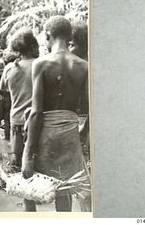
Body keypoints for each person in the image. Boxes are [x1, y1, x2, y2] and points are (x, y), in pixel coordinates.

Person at [22, 16, 88, 212]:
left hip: (45, 133)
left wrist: (28, 152)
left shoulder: (41, 64)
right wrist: (83, 134)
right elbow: (88, 107)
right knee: (64, 189)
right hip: (70, 132)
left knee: (29, 187)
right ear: (69, 37)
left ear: (47, 36)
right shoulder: (83, 66)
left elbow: (36, 112)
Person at [0, 28, 39, 170]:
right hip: (37, 120)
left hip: (17, 120)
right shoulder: (42, 64)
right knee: (36, 161)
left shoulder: (10, 68)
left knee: (17, 162)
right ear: (33, 46)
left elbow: (2, 87)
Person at [69, 21, 91, 212]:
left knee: (85, 177)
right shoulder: (76, 66)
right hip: (80, 122)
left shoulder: (87, 67)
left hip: (86, 124)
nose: (69, 48)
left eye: (72, 44)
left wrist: (85, 128)